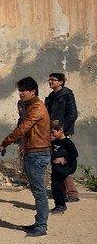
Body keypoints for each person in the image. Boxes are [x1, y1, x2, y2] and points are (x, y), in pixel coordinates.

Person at [0, 77, 51, 237]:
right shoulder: (30, 106)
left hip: (38, 153)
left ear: (32, 91)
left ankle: (41, 226)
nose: (20, 93)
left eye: (23, 90)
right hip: (33, 152)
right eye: (19, 90)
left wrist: (5, 143)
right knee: (36, 190)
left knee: (39, 191)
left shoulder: (36, 108)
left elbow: (23, 128)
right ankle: (38, 223)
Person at [45, 72, 79, 202]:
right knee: (56, 162)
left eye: (53, 80)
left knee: (62, 161)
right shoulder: (51, 97)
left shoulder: (67, 95)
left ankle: (72, 193)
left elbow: (72, 114)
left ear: (61, 82)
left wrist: (61, 130)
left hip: (63, 134)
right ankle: (62, 192)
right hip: (53, 134)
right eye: (49, 80)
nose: (50, 82)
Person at [50, 120, 78, 215]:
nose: (52, 134)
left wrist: (64, 160)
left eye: (53, 132)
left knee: (57, 186)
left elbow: (74, 154)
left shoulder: (67, 142)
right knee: (55, 187)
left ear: (60, 130)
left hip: (64, 168)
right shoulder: (55, 142)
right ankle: (59, 205)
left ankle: (61, 205)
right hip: (56, 168)